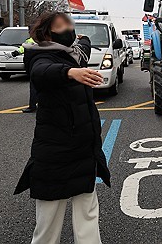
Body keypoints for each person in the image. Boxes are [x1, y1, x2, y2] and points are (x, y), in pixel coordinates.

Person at [14, 12, 111, 244]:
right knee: (48, 226)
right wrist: (69, 73)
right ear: (47, 33)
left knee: (88, 217)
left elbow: (84, 45)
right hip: (55, 156)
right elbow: (41, 73)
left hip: (84, 151)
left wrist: (83, 39)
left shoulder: (75, 54)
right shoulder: (40, 57)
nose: (69, 29)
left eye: (70, 24)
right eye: (61, 26)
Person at [11, 34, 37, 113]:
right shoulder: (46, 39)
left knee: (34, 88)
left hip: (33, 67)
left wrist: (16, 52)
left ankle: (32, 106)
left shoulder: (31, 41)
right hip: (41, 67)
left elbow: (23, 48)